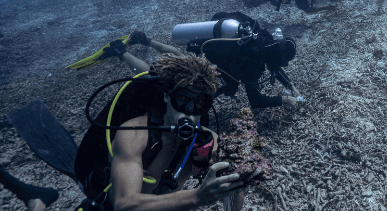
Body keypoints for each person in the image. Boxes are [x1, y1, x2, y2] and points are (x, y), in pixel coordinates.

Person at [8, 56, 246, 211]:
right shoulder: (134, 134)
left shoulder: (208, 141)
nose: (189, 111)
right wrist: (197, 197)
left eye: (199, 103)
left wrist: (237, 183)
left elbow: (232, 196)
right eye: (182, 99)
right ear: (167, 96)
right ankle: (36, 200)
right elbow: (124, 204)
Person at [182, 11, 303, 109]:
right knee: (227, 85)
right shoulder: (251, 63)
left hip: (226, 53)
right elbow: (256, 101)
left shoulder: (264, 38)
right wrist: (284, 100)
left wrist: (290, 86)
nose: (278, 65)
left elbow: (273, 63)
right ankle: (193, 103)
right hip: (217, 61)